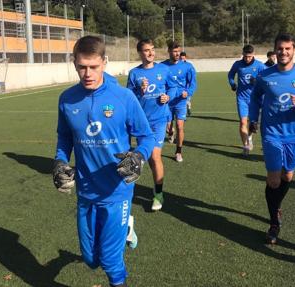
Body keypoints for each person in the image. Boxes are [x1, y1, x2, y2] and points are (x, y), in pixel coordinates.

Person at [53, 35, 155, 287]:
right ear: (74, 63)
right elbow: (65, 137)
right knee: (90, 260)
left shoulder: (124, 97)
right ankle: (127, 229)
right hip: (86, 191)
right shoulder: (67, 99)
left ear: (104, 62)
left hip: (117, 190)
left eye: (94, 67)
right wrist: (59, 161)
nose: (87, 73)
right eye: (81, 67)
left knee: (110, 261)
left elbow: (146, 136)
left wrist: (138, 156)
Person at [249, 33, 295, 245]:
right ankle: (274, 223)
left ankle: (276, 206)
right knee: (274, 179)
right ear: (274, 50)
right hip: (271, 132)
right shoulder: (265, 76)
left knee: (288, 176)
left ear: (294, 50)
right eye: (280, 49)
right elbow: (255, 98)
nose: (283, 52)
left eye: (288, 49)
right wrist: (253, 118)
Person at [126, 39, 177, 211]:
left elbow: (174, 88)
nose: (150, 53)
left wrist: (167, 96)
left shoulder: (163, 69)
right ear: (140, 53)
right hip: (141, 123)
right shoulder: (134, 74)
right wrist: (138, 90)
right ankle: (128, 188)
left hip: (159, 120)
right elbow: (128, 97)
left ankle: (158, 194)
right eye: (146, 50)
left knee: (155, 157)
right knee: (146, 158)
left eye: (152, 49)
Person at [161, 41, 197, 162]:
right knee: (169, 128)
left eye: (178, 51)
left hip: (181, 101)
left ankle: (178, 151)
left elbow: (193, 84)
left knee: (180, 126)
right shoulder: (162, 66)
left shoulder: (187, 66)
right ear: (169, 51)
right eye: (174, 51)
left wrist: (188, 93)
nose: (177, 54)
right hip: (167, 102)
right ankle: (171, 132)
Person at [228, 44, 266, 156]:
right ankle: (246, 145)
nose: (247, 58)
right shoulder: (238, 64)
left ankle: (249, 137)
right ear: (242, 54)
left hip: (256, 98)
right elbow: (230, 75)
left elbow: (267, 78)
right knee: (243, 122)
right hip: (242, 98)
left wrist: (258, 81)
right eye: (245, 56)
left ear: (253, 55)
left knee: (253, 124)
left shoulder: (260, 66)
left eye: (249, 56)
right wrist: (232, 84)